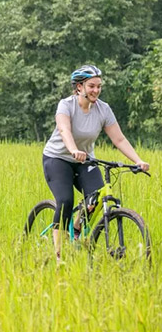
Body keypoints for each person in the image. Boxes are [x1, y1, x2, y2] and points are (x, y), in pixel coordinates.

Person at [42, 65, 150, 261]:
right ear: (79, 87)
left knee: (97, 197)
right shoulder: (66, 105)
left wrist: (138, 160)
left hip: (85, 160)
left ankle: (76, 231)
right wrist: (74, 149)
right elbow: (64, 130)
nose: (96, 90)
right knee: (65, 201)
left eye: (99, 86)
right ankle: (58, 255)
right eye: (91, 86)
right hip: (57, 158)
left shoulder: (103, 109)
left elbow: (119, 139)